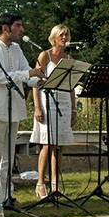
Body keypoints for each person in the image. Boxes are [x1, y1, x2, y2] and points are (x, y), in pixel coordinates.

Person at [0, 13, 45, 206]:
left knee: (8, 156)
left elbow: (26, 75)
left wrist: (40, 80)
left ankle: (6, 195)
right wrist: (28, 74)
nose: (22, 29)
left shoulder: (17, 49)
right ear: (5, 28)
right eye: (18, 25)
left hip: (14, 108)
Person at [30, 24, 77, 198]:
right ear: (54, 37)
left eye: (67, 35)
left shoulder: (69, 58)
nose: (64, 38)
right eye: (61, 35)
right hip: (46, 102)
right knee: (47, 144)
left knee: (59, 146)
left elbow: (71, 86)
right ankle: (40, 183)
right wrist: (37, 107)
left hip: (64, 103)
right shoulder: (45, 55)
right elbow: (35, 82)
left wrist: (73, 109)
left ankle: (55, 184)